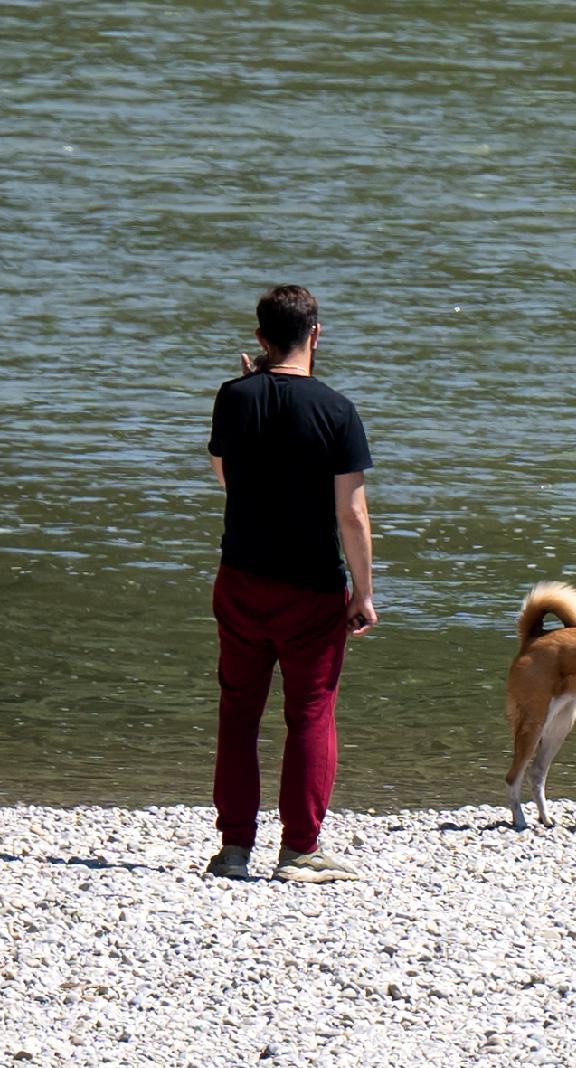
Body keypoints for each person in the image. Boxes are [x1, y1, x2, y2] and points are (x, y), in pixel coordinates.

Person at [204, 283, 376, 882]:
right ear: (316, 334)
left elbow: (227, 477)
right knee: (309, 710)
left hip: (242, 578)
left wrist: (247, 388)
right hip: (309, 586)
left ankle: (233, 849)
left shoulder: (232, 397)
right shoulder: (337, 410)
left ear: (259, 339)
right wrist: (364, 591)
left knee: (238, 709)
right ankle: (300, 848)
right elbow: (351, 514)